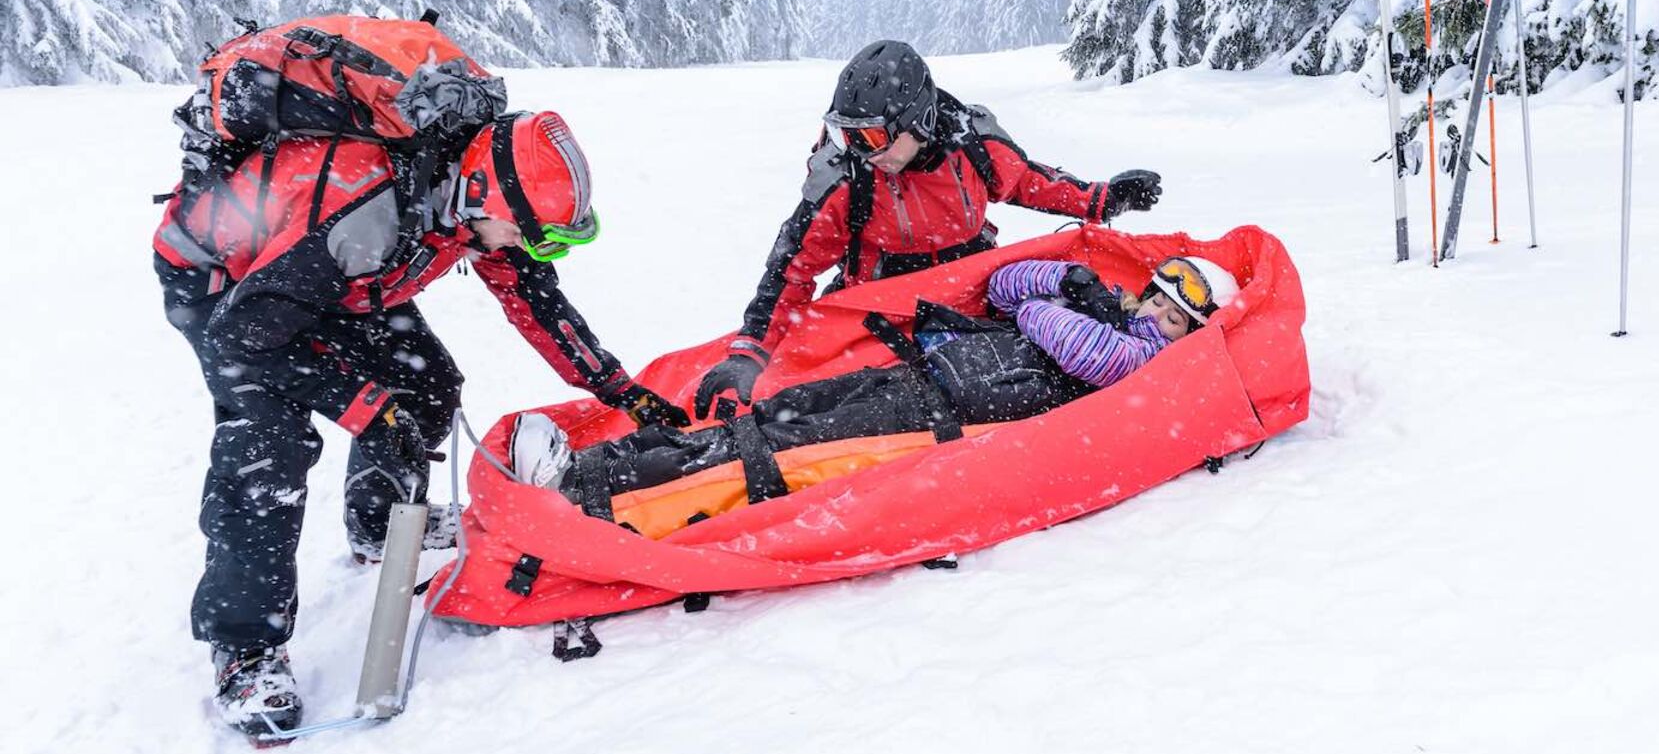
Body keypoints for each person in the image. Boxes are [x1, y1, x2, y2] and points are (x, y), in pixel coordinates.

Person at [153, 110, 684, 739]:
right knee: (270, 450)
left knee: (424, 386)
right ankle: (245, 650)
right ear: (485, 196)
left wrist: (617, 387)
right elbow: (246, 339)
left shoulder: (467, 202)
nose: (525, 247)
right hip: (230, 290)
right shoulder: (370, 212)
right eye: (529, 234)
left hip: (330, 276)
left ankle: (378, 524)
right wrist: (367, 405)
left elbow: (537, 301)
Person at [511, 255, 1242, 518]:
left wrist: (1050, 301)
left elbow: (1065, 341)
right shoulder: (1108, 310)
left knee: (770, 453)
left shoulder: (1143, 363)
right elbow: (1006, 285)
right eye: (1155, 298)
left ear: (1189, 334)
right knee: (769, 416)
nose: (1154, 314)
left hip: (940, 417)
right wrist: (1060, 276)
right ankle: (602, 465)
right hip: (925, 379)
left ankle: (585, 493)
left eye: (1175, 316)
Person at [694, 39, 1166, 421]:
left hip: (975, 299)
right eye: (847, 135)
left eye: (873, 137)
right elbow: (791, 270)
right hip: (882, 311)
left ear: (916, 120)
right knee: (856, 406)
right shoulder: (848, 179)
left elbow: (1028, 181)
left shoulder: (972, 145)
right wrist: (750, 352)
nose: (860, 149)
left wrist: (1103, 199)